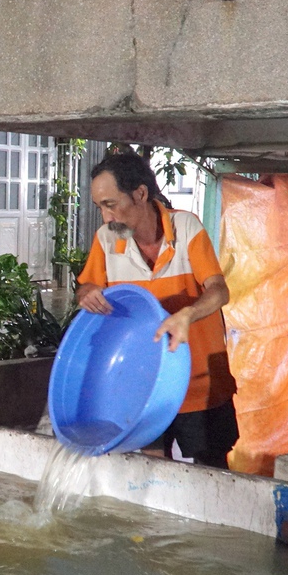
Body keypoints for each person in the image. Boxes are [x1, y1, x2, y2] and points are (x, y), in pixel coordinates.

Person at [75, 151, 238, 468]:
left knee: (212, 471)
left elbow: (219, 291)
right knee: (150, 471)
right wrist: (88, 293)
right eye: (100, 207)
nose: (106, 218)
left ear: (140, 194)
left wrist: (187, 315)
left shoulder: (186, 228)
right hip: (142, 384)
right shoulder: (106, 240)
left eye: (110, 204)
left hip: (199, 382)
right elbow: (87, 285)